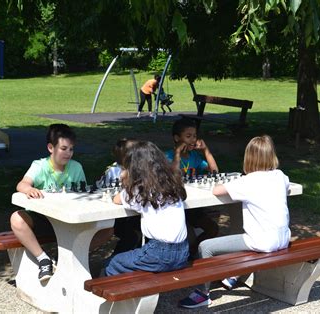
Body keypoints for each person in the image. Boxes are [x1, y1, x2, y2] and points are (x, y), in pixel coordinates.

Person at [179, 135, 291, 308]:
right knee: (238, 234)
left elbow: (217, 190)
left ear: (249, 158)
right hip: (283, 239)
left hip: (262, 241)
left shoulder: (247, 181)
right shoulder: (280, 176)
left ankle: (203, 293)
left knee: (206, 247)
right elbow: (287, 186)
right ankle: (232, 275)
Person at [10, 123, 86, 282]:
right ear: (51, 148)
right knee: (16, 218)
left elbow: (83, 193)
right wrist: (28, 189)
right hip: (43, 220)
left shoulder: (76, 167)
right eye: (63, 149)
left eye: (71, 149)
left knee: (105, 230)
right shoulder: (40, 166)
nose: (68, 153)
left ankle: (64, 259)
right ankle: (43, 259)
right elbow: (21, 184)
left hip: (68, 220)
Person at [105, 141, 189, 276]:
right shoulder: (173, 184)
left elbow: (116, 199)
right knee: (136, 260)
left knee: (114, 263)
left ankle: (110, 294)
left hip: (158, 253)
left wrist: (125, 178)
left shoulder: (140, 189)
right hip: (183, 252)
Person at [166, 117, 219, 258]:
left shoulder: (194, 156)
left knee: (213, 228)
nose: (193, 140)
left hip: (194, 207)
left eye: (194, 136)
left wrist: (206, 151)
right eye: (188, 136)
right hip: (177, 208)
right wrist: (177, 154)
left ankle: (192, 254)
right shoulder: (168, 156)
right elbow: (172, 176)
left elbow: (214, 172)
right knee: (186, 237)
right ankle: (188, 254)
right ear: (177, 138)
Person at [96, 138, 142, 255]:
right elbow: (102, 191)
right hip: (117, 216)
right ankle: (116, 259)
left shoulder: (139, 170)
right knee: (131, 234)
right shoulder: (113, 171)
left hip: (132, 211)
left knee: (136, 231)